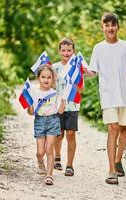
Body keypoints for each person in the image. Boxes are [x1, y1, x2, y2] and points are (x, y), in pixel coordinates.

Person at [85, 12, 126, 185]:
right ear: (103, 28)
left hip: (125, 94)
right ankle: (111, 171)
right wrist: (82, 71)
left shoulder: (125, 46)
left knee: (124, 129)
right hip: (108, 95)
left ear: (118, 27)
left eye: (113, 25)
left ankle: (118, 160)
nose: (110, 28)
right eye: (107, 25)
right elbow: (93, 72)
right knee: (113, 128)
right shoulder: (98, 48)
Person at [27, 64, 66, 185]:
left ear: (52, 79)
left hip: (53, 121)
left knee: (49, 149)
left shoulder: (55, 94)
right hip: (39, 121)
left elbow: (60, 111)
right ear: (38, 78)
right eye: (43, 77)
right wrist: (30, 105)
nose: (46, 80)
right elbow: (30, 112)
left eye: (49, 77)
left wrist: (63, 102)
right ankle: (40, 161)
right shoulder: (34, 93)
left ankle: (49, 175)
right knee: (41, 151)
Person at [52, 37, 83, 176]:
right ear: (59, 51)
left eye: (69, 50)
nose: (66, 53)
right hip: (58, 106)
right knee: (59, 134)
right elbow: (50, 87)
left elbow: (81, 89)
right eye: (63, 50)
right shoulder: (54, 67)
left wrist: (75, 81)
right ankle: (57, 157)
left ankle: (70, 165)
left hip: (73, 105)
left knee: (70, 133)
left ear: (73, 51)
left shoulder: (77, 68)